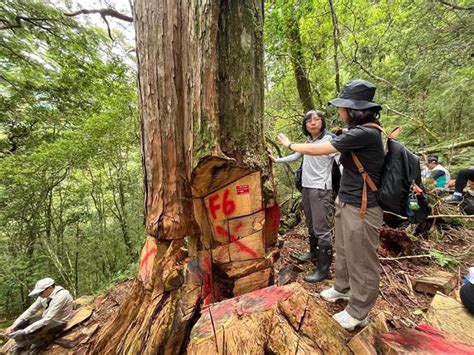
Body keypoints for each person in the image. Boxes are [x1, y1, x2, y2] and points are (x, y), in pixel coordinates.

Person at [277, 79, 384, 331]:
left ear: (353, 109)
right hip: (347, 200)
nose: (339, 111)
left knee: (361, 258)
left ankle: (359, 311)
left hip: (363, 206)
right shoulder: (356, 133)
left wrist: (289, 144)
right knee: (346, 249)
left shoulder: (366, 133)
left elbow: (320, 150)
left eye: (342, 107)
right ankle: (342, 288)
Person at [269, 110, 338, 282]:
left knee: (321, 228)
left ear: (322, 122)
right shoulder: (310, 141)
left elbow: (340, 161)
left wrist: (345, 189)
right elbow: (297, 154)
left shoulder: (329, 140)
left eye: (317, 119)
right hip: (307, 187)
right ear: (305, 125)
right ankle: (314, 254)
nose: (313, 123)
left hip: (320, 188)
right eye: (309, 121)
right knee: (311, 224)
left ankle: (324, 269)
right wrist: (276, 160)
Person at [5, 277, 74, 353]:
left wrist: (25, 331)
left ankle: (40, 344)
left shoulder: (62, 295)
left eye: (41, 292)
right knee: (22, 324)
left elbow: (48, 319)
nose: (39, 294)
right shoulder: (44, 295)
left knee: (33, 331)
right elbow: (31, 310)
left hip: (58, 321)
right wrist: (14, 325)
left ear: (50, 288)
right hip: (45, 317)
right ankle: (22, 344)